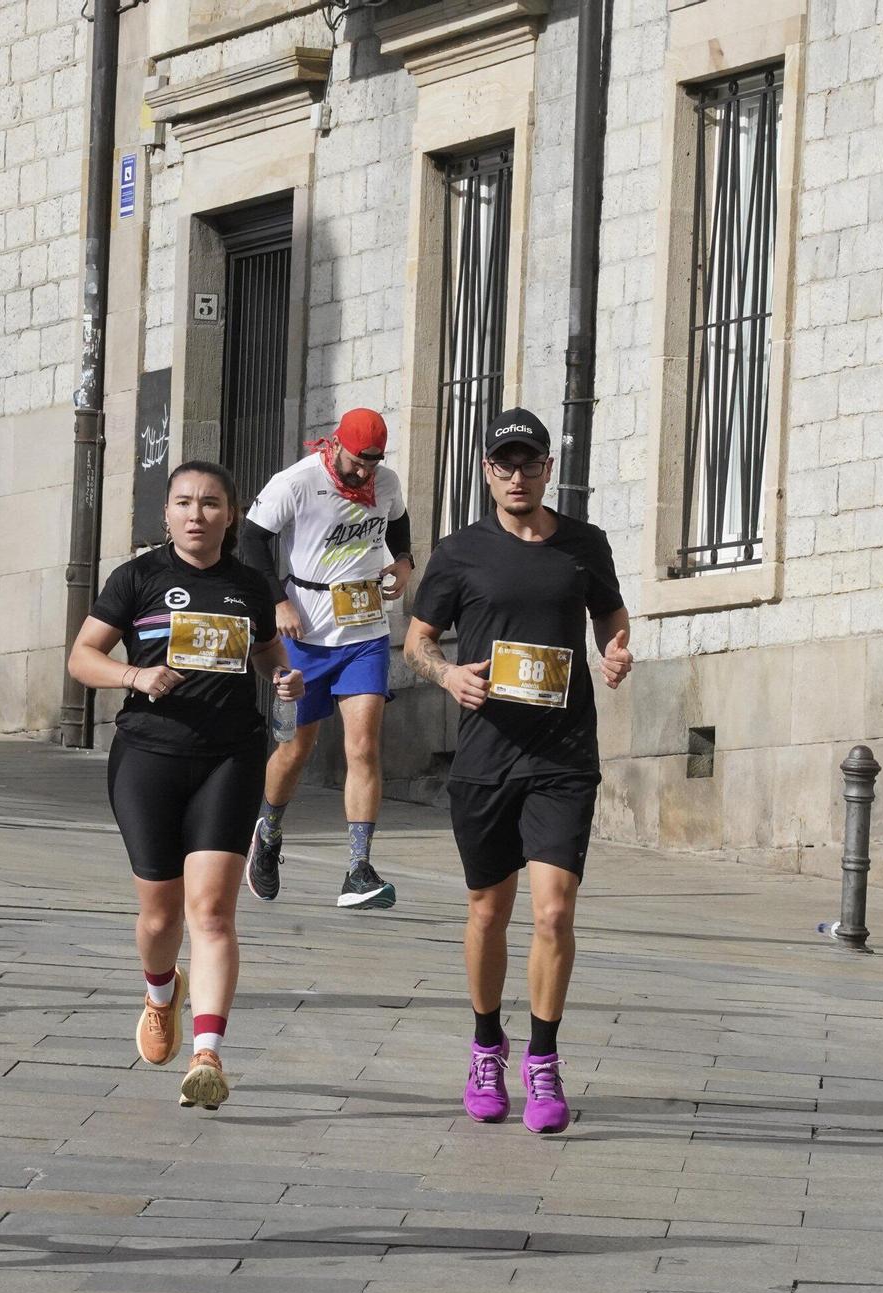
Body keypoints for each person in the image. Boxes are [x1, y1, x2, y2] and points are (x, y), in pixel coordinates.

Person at [403, 407, 633, 1135]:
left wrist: (616, 649)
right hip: (486, 755)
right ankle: (483, 1046)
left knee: (554, 910)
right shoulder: (459, 552)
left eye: (529, 462)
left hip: (563, 754)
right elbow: (416, 641)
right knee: (487, 912)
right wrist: (446, 678)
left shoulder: (582, 544)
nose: (517, 475)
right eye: (504, 463)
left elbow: (611, 614)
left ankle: (542, 1059)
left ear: (547, 468)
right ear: (486, 471)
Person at [66, 460, 302, 1111]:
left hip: (230, 757)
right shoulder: (138, 577)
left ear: (229, 515)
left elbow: (268, 656)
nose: (197, 514)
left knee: (214, 912)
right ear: (167, 514)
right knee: (160, 914)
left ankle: (208, 1054)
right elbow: (82, 657)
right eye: (184, 502)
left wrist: (284, 679)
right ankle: (160, 989)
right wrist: (135, 679)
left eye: (210, 503)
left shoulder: (250, 587)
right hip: (148, 759)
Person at [238, 407, 413, 910]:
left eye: (374, 464)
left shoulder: (386, 482)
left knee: (363, 748)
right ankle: (267, 833)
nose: (365, 474)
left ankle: (358, 869)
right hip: (305, 633)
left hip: (364, 630)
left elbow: (398, 525)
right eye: (359, 462)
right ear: (336, 445)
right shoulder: (297, 481)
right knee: (296, 748)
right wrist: (275, 601)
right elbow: (253, 538)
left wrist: (402, 563)